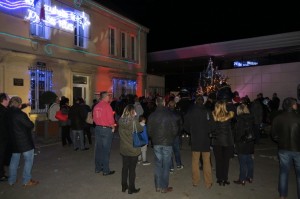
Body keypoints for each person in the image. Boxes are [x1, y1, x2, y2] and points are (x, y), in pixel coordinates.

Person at [147, 96, 179, 193]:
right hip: (167, 143)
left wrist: (154, 138)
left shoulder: (152, 115)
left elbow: (149, 131)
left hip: (157, 143)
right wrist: (171, 138)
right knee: (165, 165)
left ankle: (158, 186)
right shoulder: (170, 114)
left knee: (158, 165)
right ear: (164, 103)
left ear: (156, 103)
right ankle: (164, 187)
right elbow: (175, 130)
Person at [271, 97, 300, 199]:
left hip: (283, 148)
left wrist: (281, 140)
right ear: (292, 105)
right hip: (297, 149)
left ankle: (282, 195)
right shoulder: (298, 118)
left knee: (283, 172)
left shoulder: (277, 118)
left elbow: (274, 135)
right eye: (296, 103)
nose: (297, 105)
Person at [7, 96, 39, 187]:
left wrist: (26, 104)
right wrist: (32, 123)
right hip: (24, 142)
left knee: (14, 161)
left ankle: (11, 180)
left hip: (13, 141)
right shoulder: (20, 114)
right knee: (28, 160)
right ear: (19, 105)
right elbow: (29, 125)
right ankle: (26, 180)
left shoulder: (7, 112)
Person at [183, 95, 213, 189]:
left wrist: (191, 131)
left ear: (196, 102)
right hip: (205, 139)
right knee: (206, 161)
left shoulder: (191, 112)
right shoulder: (207, 111)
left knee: (195, 161)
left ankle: (195, 181)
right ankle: (208, 183)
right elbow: (213, 125)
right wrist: (208, 131)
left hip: (195, 139)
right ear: (203, 102)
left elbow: (186, 125)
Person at [118, 104, 144, 194]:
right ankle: (131, 189)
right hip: (133, 149)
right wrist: (138, 120)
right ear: (132, 111)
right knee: (132, 169)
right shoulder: (133, 121)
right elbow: (140, 129)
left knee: (124, 168)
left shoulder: (120, 120)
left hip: (124, 148)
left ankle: (124, 186)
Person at [211, 100, 235, 186]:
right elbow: (233, 110)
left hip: (217, 141)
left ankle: (219, 179)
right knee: (226, 161)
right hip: (227, 141)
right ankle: (225, 178)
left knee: (218, 161)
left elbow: (211, 128)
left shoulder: (213, 116)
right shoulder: (229, 115)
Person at [93, 91, 116, 176]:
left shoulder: (96, 106)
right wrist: (113, 127)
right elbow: (110, 120)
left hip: (98, 128)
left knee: (98, 149)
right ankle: (106, 170)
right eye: (109, 96)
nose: (109, 98)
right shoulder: (107, 106)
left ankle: (98, 168)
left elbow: (94, 119)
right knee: (106, 150)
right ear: (105, 97)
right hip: (106, 130)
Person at [233, 104, 255, 186]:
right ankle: (250, 177)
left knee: (242, 162)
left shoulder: (239, 120)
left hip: (242, 143)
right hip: (250, 142)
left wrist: (236, 142)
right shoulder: (251, 118)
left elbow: (238, 133)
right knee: (249, 161)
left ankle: (242, 179)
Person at [167, 100, 184, 173]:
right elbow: (181, 125)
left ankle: (171, 167)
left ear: (168, 106)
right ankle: (179, 164)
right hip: (176, 134)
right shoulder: (178, 114)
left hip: (168, 134)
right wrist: (179, 133)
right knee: (176, 150)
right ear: (175, 106)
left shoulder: (166, 114)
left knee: (169, 151)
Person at [0, 93, 10, 182]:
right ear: (4, 100)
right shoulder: (3, 111)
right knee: (1, 155)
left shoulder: (3, 109)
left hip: (3, 137)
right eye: (8, 98)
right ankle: (1, 175)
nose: (9, 100)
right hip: (2, 137)